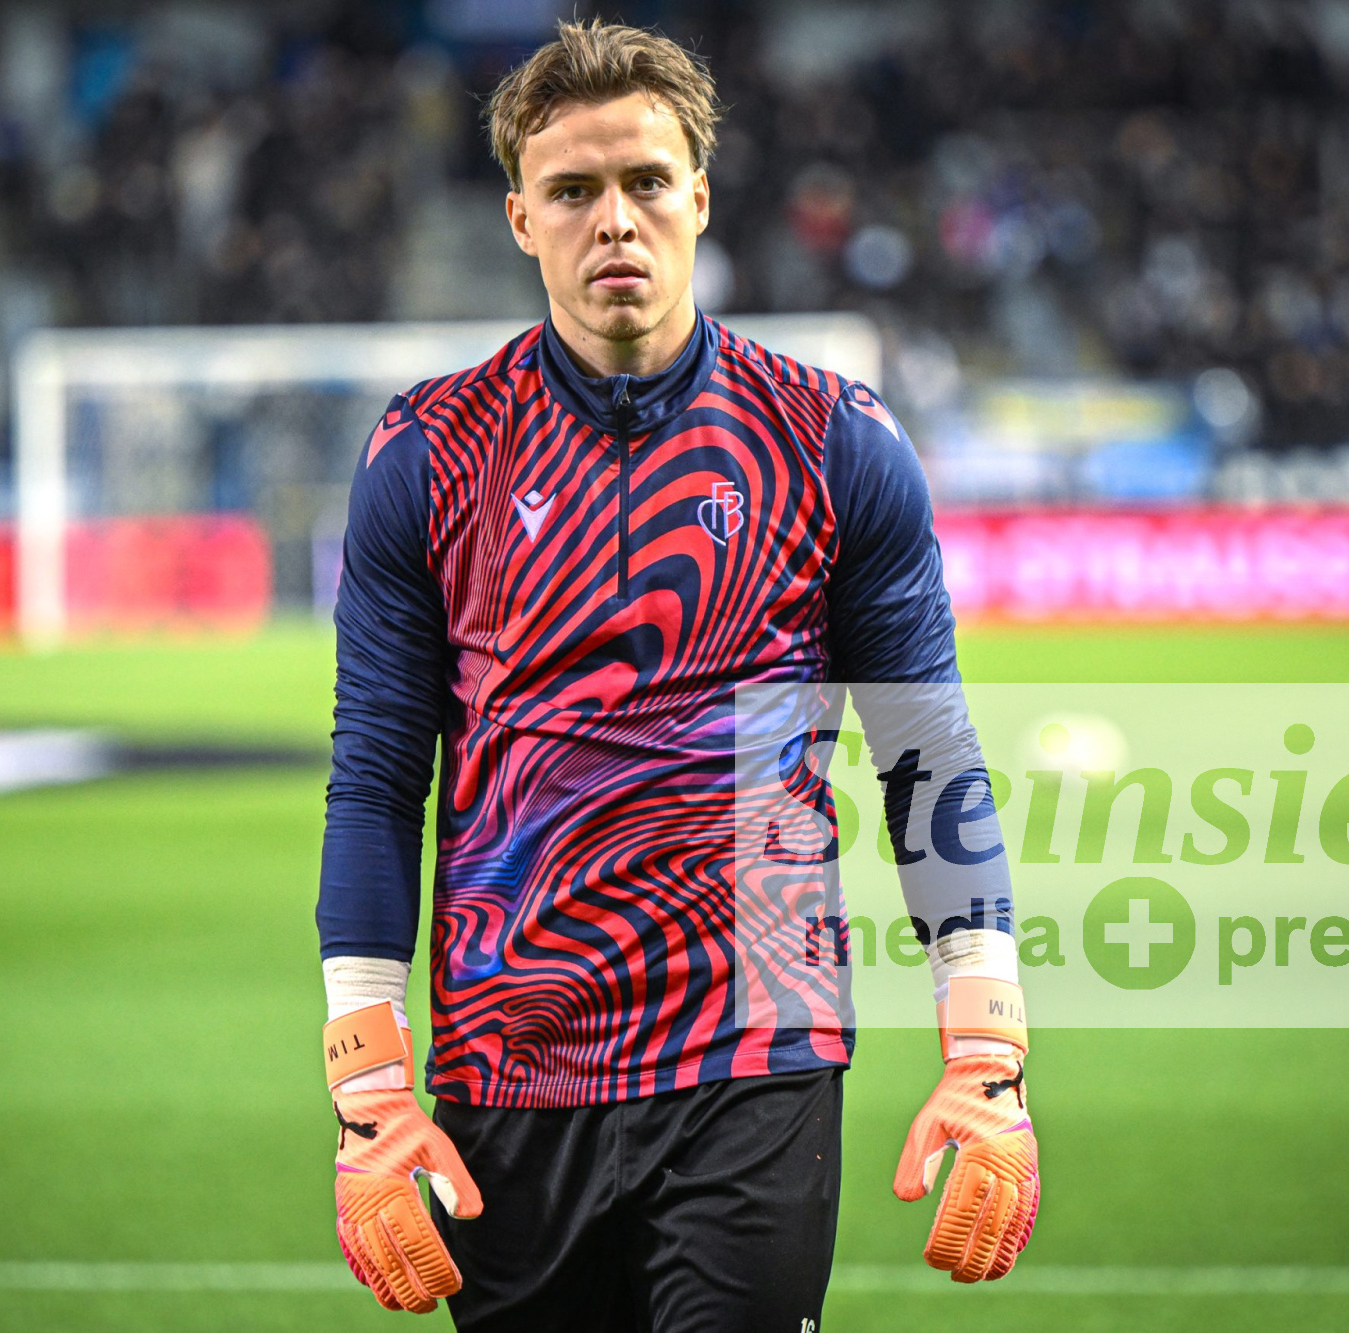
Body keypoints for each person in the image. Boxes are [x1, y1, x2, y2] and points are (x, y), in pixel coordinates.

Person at [316, 20, 1038, 1330]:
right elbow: (375, 778)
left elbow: (928, 755)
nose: (615, 220)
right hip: (510, 1062)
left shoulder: (833, 440)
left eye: (646, 181)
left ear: (700, 196)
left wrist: (987, 1052)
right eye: (572, 191)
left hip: (757, 1054)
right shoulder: (428, 454)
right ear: (519, 219)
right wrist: (368, 1087)